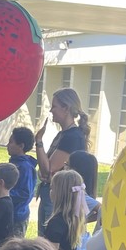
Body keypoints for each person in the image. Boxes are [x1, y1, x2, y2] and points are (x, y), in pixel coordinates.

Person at [34, 89, 92, 236]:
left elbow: (48, 169)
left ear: (66, 108)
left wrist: (39, 141)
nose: (51, 110)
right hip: (51, 192)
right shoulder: (63, 134)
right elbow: (44, 170)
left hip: (58, 196)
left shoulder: (72, 136)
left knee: (48, 243)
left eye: (54, 106)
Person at [43, 169, 86, 250]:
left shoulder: (56, 223)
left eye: (52, 188)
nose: (50, 191)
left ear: (59, 194)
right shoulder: (73, 218)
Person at [7, 126, 37, 237]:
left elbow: (25, 193)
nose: (7, 145)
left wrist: (4, 193)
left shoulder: (25, 167)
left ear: (21, 146)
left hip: (18, 215)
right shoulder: (15, 163)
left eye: (11, 142)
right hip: (10, 213)